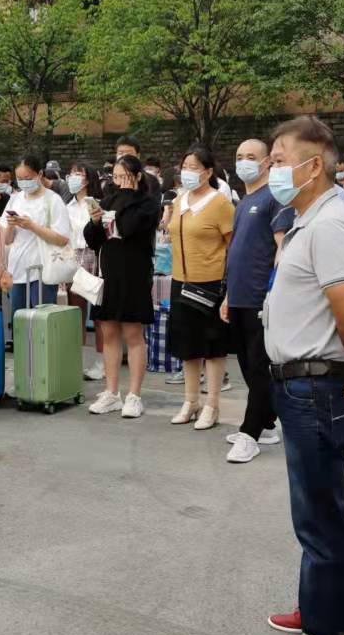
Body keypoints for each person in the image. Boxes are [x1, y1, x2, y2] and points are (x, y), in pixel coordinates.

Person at [260, 115, 344, 635]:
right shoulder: (310, 220)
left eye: (279, 159)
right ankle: (329, 611)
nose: (271, 169)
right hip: (302, 383)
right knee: (321, 506)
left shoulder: (331, 224)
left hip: (316, 386)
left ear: (312, 166)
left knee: (317, 512)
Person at [221, 138, 294, 463]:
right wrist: (227, 295)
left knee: (260, 367)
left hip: (260, 298)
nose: (244, 162)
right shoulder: (243, 202)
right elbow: (237, 251)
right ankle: (266, 424)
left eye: (251, 156)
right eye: (239, 156)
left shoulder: (274, 198)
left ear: (266, 163)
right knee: (248, 367)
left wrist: (274, 292)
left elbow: (283, 249)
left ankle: (249, 433)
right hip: (238, 296)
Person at [81, 154, 158, 417]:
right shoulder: (107, 201)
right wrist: (95, 220)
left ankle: (134, 395)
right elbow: (93, 240)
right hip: (109, 273)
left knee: (133, 334)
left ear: (137, 176)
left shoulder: (147, 203)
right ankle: (111, 392)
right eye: (115, 177)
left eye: (124, 176)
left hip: (134, 274)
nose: (119, 182)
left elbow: (128, 228)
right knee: (109, 332)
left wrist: (116, 207)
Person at [166, 145, 234, 429]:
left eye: (194, 167)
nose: (187, 172)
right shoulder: (180, 200)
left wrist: (229, 287)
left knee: (212, 345)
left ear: (208, 172)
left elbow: (233, 246)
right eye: (185, 167)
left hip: (210, 283)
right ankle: (190, 401)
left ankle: (212, 404)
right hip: (181, 281)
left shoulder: (220, 203)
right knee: (188, 344)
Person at [0, 154, 72, 312]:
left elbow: (62, 239)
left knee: (41, 319)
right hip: (17, 269)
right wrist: (11, 225)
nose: (23, 182)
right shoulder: (15, 199)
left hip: (43, 270)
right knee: (18, 318)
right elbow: (6, 240)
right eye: (19, 179)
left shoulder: (53, 200)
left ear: (39, 174)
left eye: (27, 178)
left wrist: (32, 226)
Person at [64, 161, 105, 381]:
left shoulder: (97, 204)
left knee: (98, 314)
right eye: (71, 173)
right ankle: (75, 360)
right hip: (73, 257)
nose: (73, 177)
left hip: (94, 256)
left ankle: (102, 361)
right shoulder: (67, 206)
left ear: (88, 178)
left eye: (77, 173)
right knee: (75, 313)